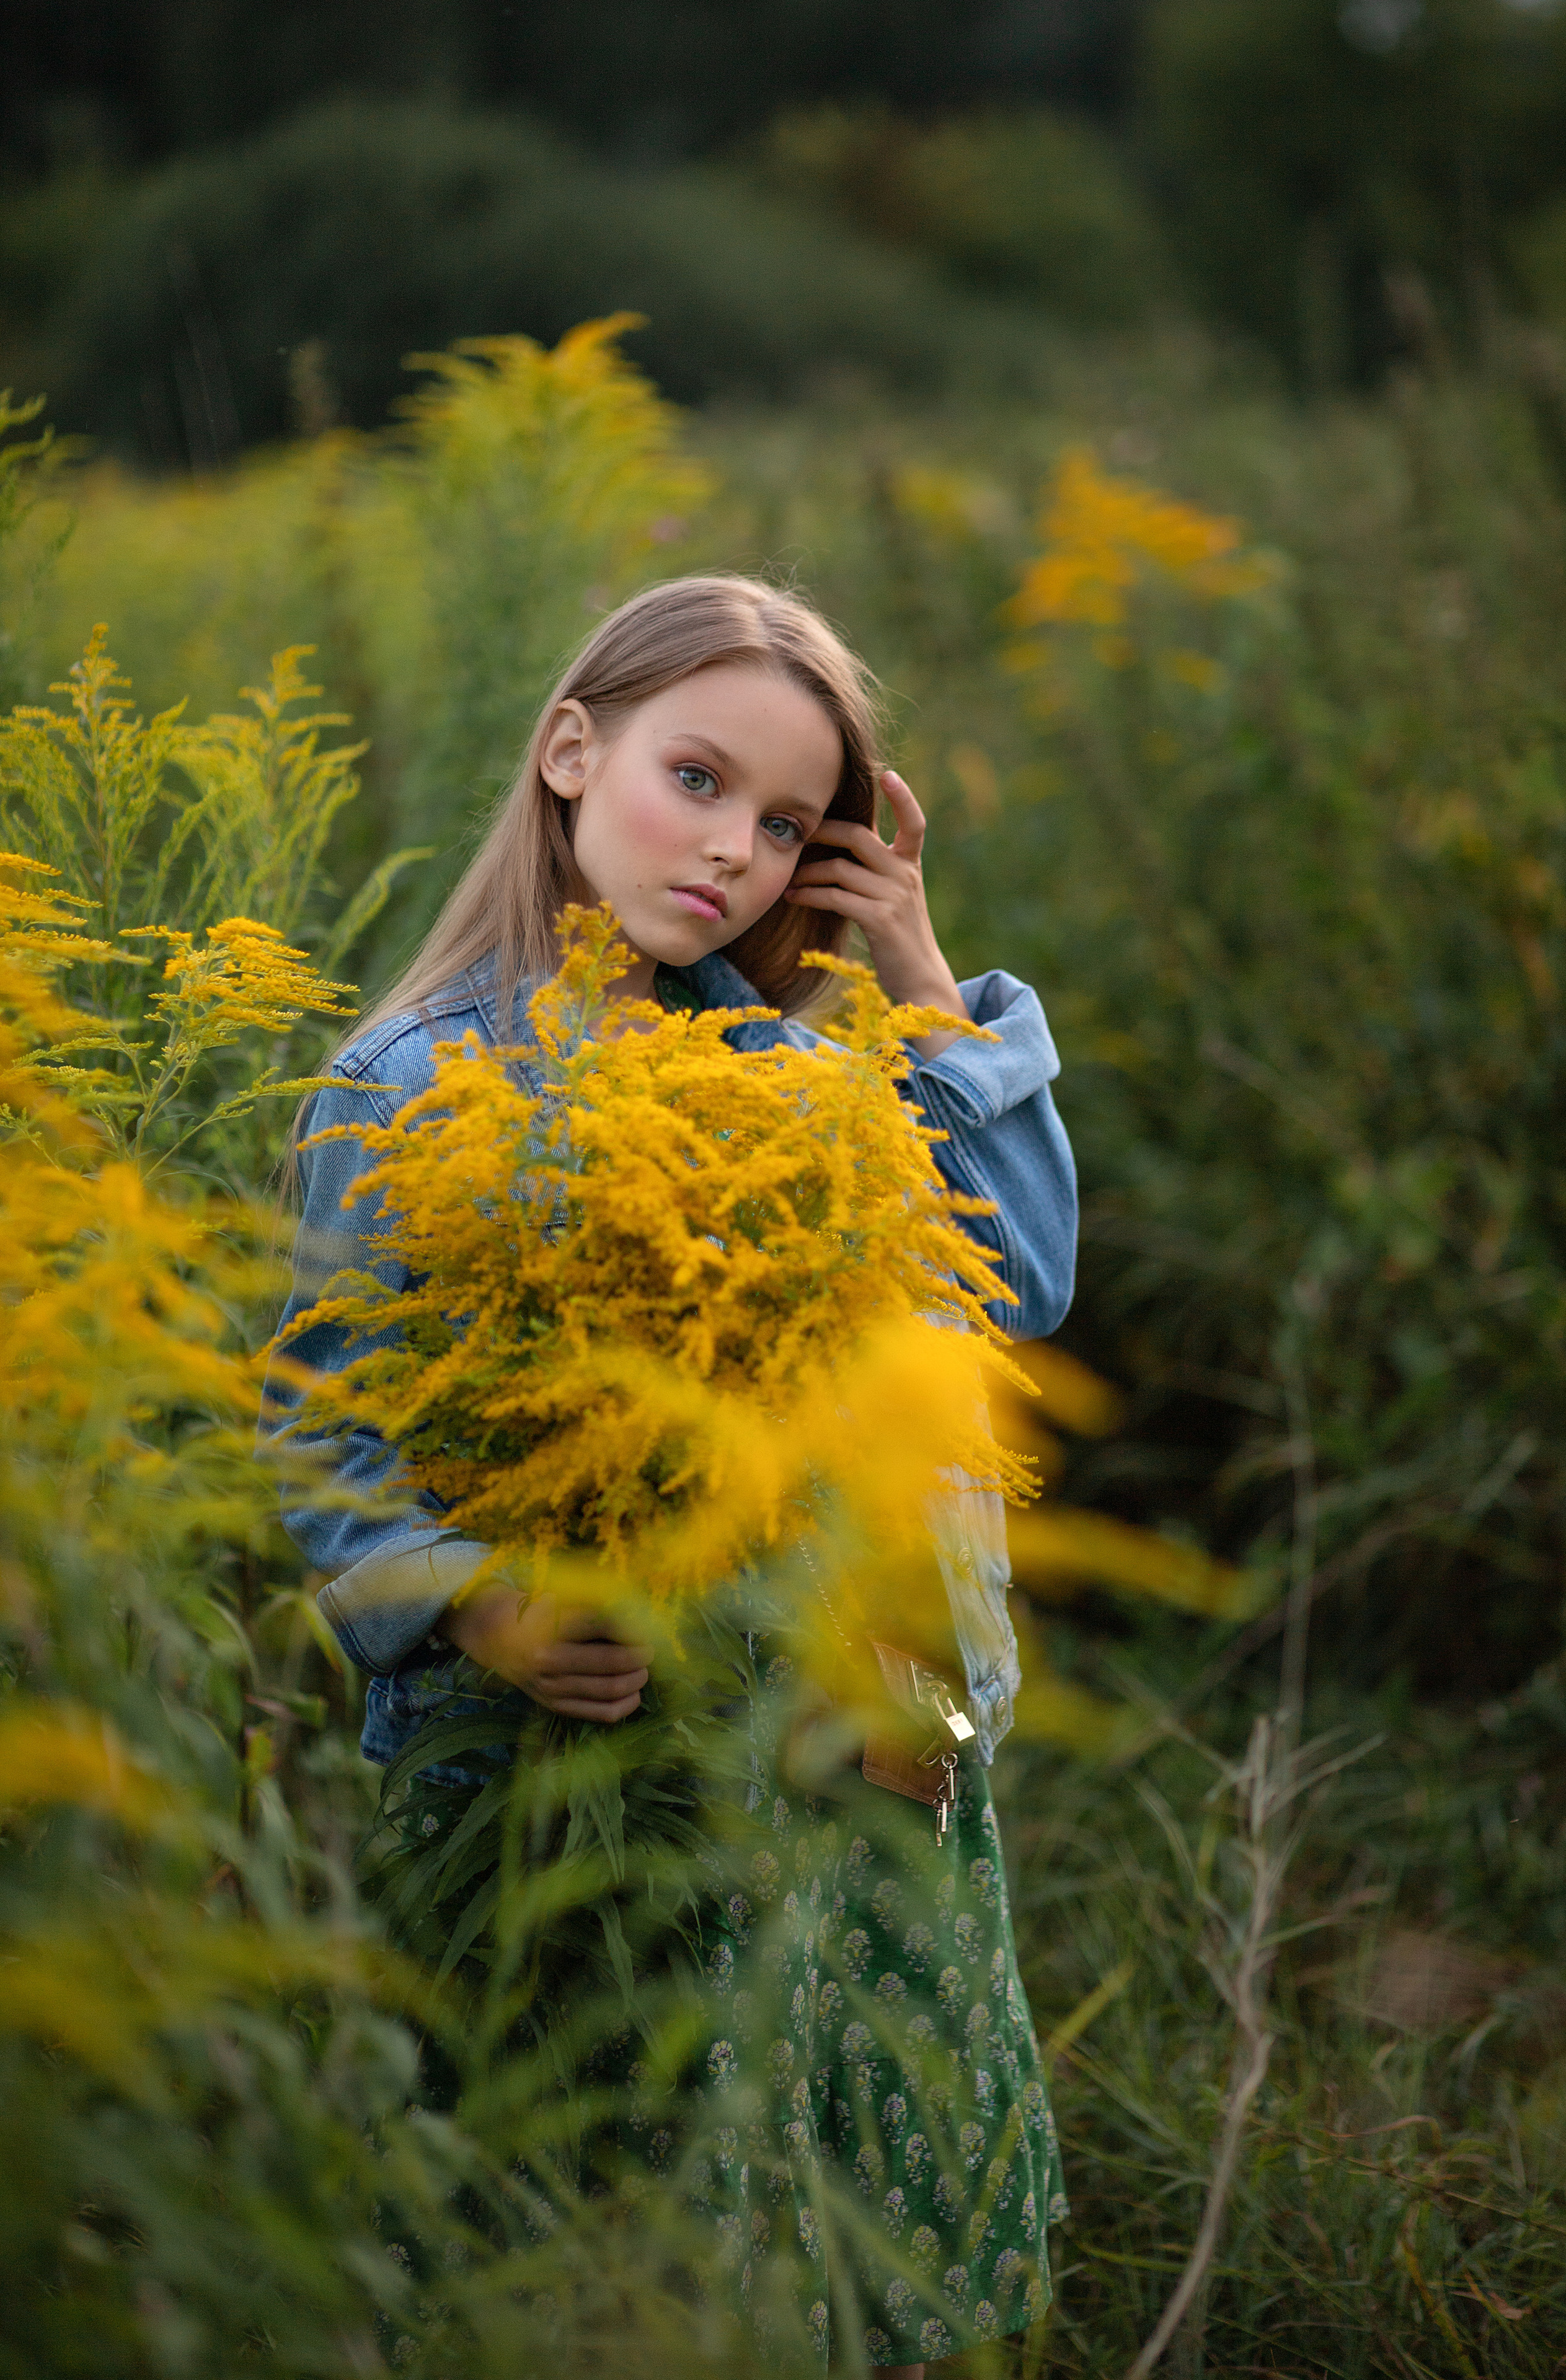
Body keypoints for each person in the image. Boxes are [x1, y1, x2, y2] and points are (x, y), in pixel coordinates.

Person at [264, 575, 1077, 2376]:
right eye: (695, 780)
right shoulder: (401, 1086)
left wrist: (922, 973)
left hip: (841, 1739)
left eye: (789, 824)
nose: (734, 851)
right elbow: (320, 1432)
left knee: (850, 2192)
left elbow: (1008, 1291)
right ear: (572, 751)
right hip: (564, 1763)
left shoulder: (804, 1062)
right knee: (580, 2207)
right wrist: (472, 1603)